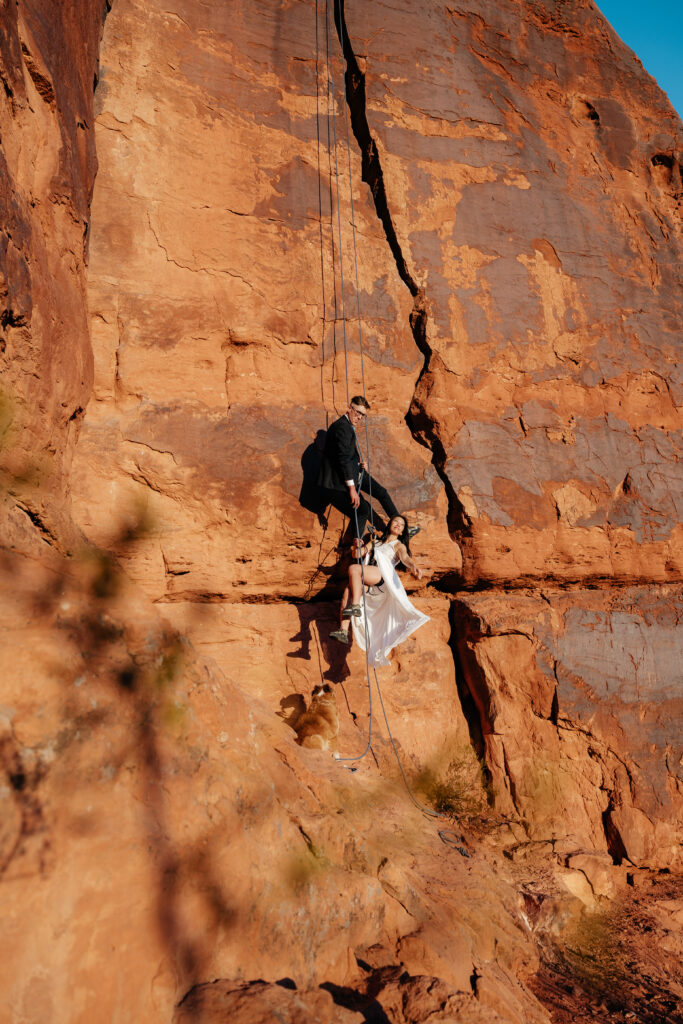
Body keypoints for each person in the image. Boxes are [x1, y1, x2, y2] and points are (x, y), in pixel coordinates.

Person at [329, 515, 429, 666]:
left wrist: (413, 566)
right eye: (396, 521)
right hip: (368, 576)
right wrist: (358, 545)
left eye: (401, 525)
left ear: (402, 532)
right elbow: (357, 555)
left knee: (354, 569)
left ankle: (355, 606)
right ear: (389, 524)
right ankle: (343, 631)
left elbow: (405, 557)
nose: (398, 525)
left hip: (380, 576)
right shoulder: (375, 542)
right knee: (347, 591)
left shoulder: (398, 545)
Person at [318, 396, 415, 544]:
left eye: (363, 415)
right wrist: (351, 489)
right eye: (357, 412)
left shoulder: (347, 426)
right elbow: (342, 459)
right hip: (342, 480)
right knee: (363, 508)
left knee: (382, 493)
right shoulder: (342, 428)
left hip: (356, 472)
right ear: (349, 408)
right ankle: (378, 536)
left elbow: (348, 455)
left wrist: (359, 463)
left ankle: (401, 528)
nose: (359, 417)